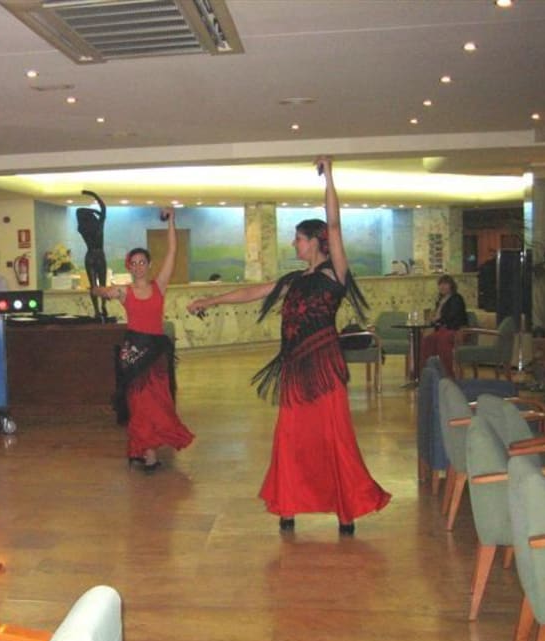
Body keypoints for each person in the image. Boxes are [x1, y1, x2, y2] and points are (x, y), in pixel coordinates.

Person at [187, 157, 391, 534]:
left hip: (324, 368)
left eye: (298, 238)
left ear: (315, 242)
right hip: (296, 367)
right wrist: (211, 300)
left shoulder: (335, 273)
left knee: (333, 436)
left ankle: (346, 510)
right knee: (292, 436)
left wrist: (329, 177)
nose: (293, 243)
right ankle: (289, 503)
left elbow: (334, 224)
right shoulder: (295, 279)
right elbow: (253, 292)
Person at [93, 207, 194, 471]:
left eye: (142, 262)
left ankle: (139, 449)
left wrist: (172, 221)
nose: (138, 266)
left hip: (156, 353)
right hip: (134, 353)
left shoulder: (159, 286)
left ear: (149, 265)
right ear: (129, 266)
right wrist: (103, 291)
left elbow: (172, 252)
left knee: (158, 403)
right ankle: (148, 454)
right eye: (134, 263)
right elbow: (98, 290)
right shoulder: (124, 292)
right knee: (139, 404)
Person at [419, 274, 469, 377]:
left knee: (442, 339)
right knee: (427, 339)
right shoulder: (440, 300)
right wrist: (433, 322)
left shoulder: (456, 298)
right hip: (442, 329)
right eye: (440, 284)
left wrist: (437, 321)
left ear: (451, 286)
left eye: (445, 284)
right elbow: (437, 319)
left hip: (455, 329)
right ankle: (427, 372)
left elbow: (452, 316)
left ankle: (448, 374)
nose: (442, 286)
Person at [77, 189, 109, 320]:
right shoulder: (99, 226)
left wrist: (91, 211)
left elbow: (79, 211)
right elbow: (103, 208)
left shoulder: (82, 228)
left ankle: (96, 310)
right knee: (102, 285)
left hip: (89, 255)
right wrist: (93, 195)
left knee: (93, 286)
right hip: (99, 255)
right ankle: (103, 306)